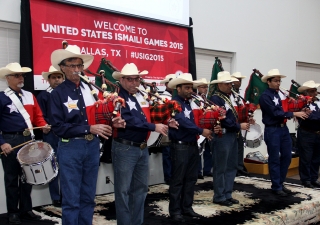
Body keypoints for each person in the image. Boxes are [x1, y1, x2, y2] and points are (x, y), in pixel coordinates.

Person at [48, 45, 125, 224]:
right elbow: (58, 127)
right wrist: (88, 128)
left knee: (89, 195)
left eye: (79, 65)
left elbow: (101, 115)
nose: (76, 70)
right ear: (63, 68)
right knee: (71, 198)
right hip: (70, 146)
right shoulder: (57, 94)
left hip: (91, 146)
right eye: (72, 66)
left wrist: (113, 121)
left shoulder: (90, 89)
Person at [111, 63, 176, 225]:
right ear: (122, 80)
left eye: (137, 79)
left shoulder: (140, 96)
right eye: (130, 80)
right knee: (123, 191)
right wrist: (154, 126)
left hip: (141, 147)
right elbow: (128, 120)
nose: (134, 83)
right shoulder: (117, 97)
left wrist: (167, 120)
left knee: (140, 190)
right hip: (125, 147)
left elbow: (149, 116)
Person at [0, 62, 50, 224]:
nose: (21, 78)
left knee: (28, 176)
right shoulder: (2, 97)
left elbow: (37, 116)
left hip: (29, 138)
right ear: (7, 78)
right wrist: (2, 143)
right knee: (12, 178)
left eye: (22, 75)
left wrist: (43, 125)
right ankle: (13, 212)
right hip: (10, 140)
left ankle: (26, 209)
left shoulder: (29, 95)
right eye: (16, 75)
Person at [167, 73, 213, 222]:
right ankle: (175, 211)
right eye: (186, 88)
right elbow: (182, 122)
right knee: (178, 180)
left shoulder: (189, 103)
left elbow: (197, 120)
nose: (190, 90)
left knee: (191, 179)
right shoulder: (173, 103)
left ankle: (187, 208)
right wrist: (201, 131)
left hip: (192, 145)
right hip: (180, 146)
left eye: (190, 87)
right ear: (178, 88)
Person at [259, 69, 309, 196]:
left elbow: (286, 108)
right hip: (273, 129)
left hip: (283, 128)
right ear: (268, 82)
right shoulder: (265, 96)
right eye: (275, 81)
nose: (278, 83)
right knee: (274, 158)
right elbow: (275, 113)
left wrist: (300, 109)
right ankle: (276, 186)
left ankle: (281, 182)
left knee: (287, 156)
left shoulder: (279, 94)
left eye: (279, 81)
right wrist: (294, 114)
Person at [209, 71, 250, 207]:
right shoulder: (216, 99)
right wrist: (239, 125)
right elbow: (223, 119)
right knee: (221, 166)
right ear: (220, 84)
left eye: (231, 83)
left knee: (231, 165)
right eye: (227, 84)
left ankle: (227, 193)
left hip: (233, 134)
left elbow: (236, 114)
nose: (230, 86)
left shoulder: (233, 97)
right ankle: (219, 195)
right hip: (223, 134)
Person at [36, 65, 64, 207]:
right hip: (51, 134)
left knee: (66, 165)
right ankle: (55, 196)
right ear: (48, 80)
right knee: (53, 165)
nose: (57, 80)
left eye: (59, 77)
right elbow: (39, 115)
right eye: (54, 77)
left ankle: (66, 194)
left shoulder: (66, 94)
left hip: (65, 134)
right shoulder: (43, 96)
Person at [296, 80, 320, 188]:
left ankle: (314, 178)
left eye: (315, 91)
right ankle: (306, 179)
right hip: (306, 133)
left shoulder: (318, 102)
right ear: (306, 93)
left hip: (318, 134)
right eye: (312, 91)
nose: (315, 93)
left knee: (316, 158)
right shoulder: (302, 103)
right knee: (306, 158)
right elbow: (307, 117)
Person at [191, 78, 213, 179]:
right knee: (199, 149)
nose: (205, 89)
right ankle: (198, 171)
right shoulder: (194, 99)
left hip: (207, 126)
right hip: (199, 127)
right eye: (203, 87)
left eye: (206, 87)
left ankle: (207, 169)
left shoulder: (206, 99)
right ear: (198, 88)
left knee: (208, 149)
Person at [230, 72, 250, 176]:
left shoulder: (240, 94)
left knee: (239, 146)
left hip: (239, 123)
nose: (239, 82)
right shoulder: (230, 94)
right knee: (233, 147)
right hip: (232, 124)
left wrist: (247, 118)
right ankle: (234, 167)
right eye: (237, 80)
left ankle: (239, 166)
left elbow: (242, 109)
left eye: (240, 80)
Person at [159, 74, 175, 185]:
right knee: (168, 154)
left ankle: (174, 175)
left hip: (177, 128)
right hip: (167, 127)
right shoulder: (162, 97)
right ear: (166, 84)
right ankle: (168, 176)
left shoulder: (177, 97)